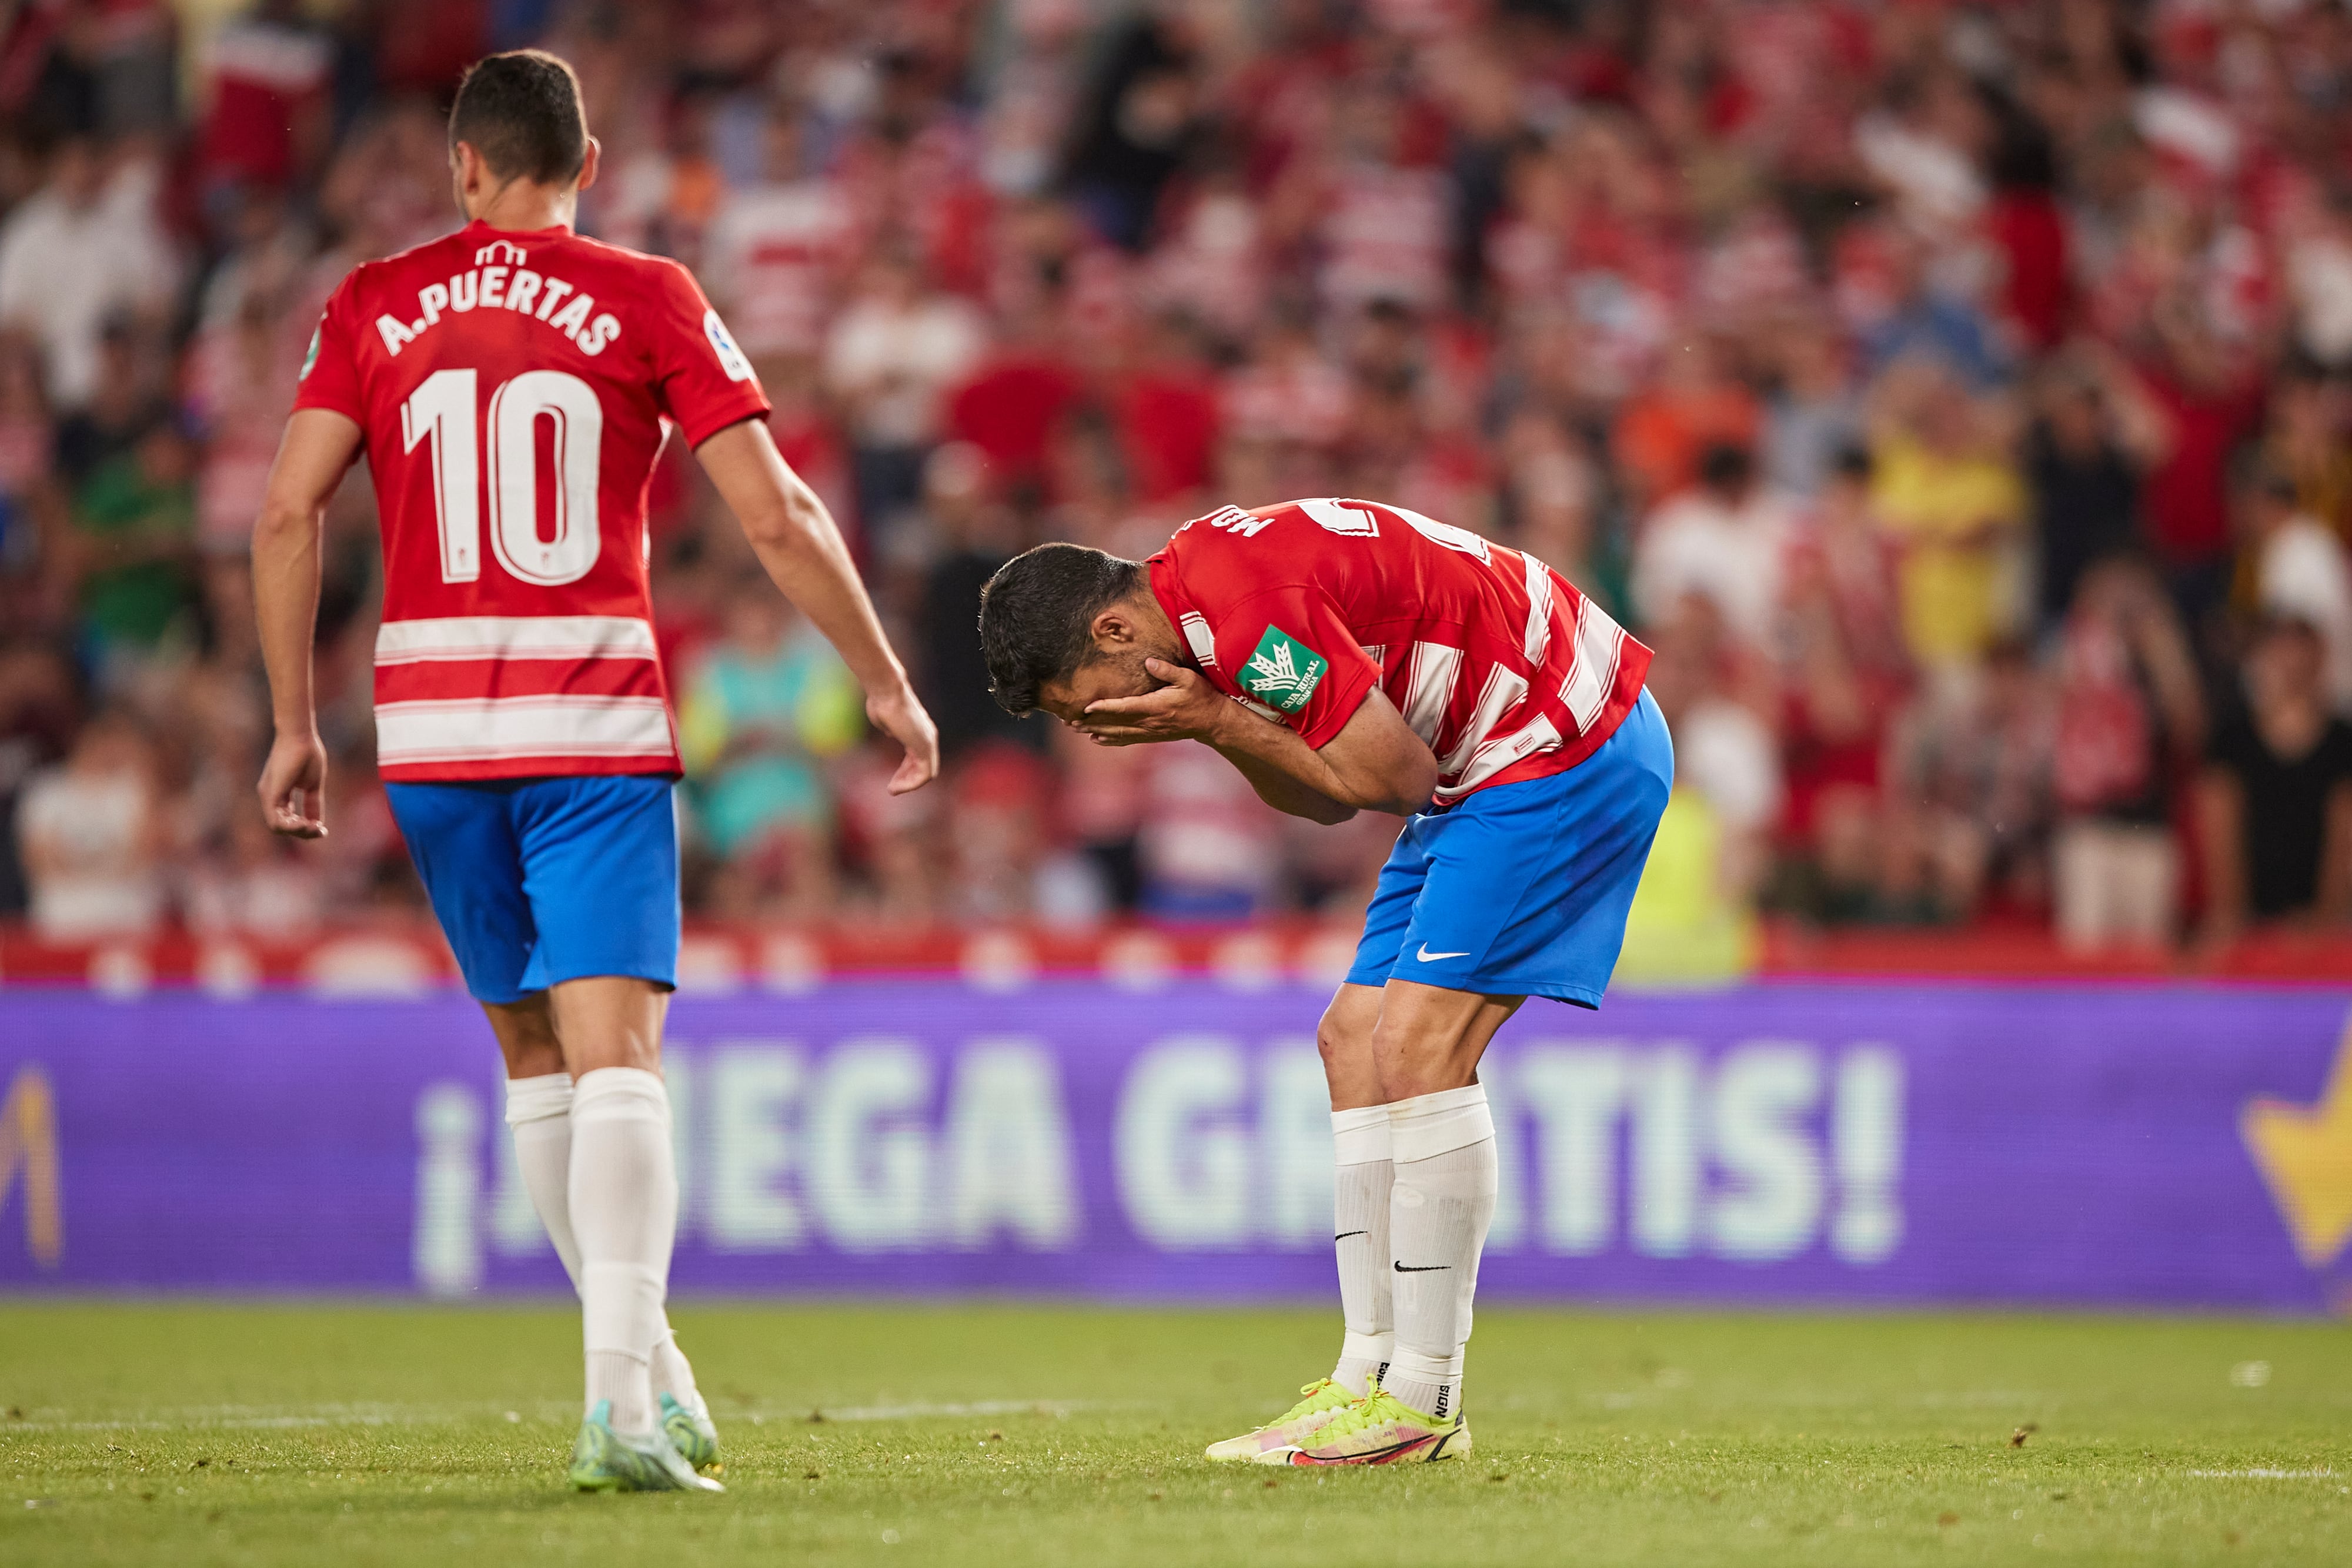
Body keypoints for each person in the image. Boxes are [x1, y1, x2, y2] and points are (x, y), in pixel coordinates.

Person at [249, 51, 938, 1493]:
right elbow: (779, 507)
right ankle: (618, 1402)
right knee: (619, 1058)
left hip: (428, 730)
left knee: (534, 1061)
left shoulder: (372, 301)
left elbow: (282, 513)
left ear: (462, 164)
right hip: (588, 723)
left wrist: (289, 720)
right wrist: (875, 672)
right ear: (591, 162)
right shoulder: (649, 297)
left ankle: (652, 1367)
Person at [978, 497, 1670, 1466]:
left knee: (1416, 1040)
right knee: (1353, 1039)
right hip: (1486, 767)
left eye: (1083, 695)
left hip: (1562, 740)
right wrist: (1215, 727)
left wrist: (1217, 717)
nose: (1098, 717)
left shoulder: (1249, 612)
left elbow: (1389, 777)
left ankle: (1424, 1402)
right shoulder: (1207, 610)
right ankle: (1367, 1378)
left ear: (1115, 628)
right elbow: (1321, 793)